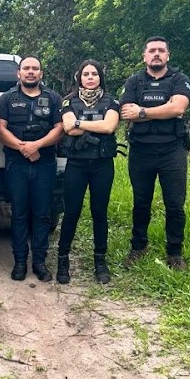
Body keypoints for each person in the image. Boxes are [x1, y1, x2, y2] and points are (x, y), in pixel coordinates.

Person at [120, 36, 190, 270]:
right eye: (152, 50)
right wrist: (163, 110)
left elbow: (179, 107)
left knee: (174, 204)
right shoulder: (134, 82)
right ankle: (138, 247)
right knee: (141, 202)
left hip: (173, 150)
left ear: (168, 55)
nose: (157, 54)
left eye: (161, 50)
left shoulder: (179, 79)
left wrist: (142, 111)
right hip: (141, 150)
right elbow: (125, 112)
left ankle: (175, 252)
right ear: (145, 56)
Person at [0, 56, 63, 282]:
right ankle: (19, 262)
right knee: (19, 214)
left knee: (42, 214)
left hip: (44, 162)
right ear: (19, 73)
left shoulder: (53, 98)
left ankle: (40, 262)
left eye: (35, 68)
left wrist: (37, 145)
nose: (31, 72)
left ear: (41, 73)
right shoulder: (7, 98)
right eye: (26, 68)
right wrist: (23, 147)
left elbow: (59, 128)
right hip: (17, 163)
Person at [57, 60, 120, 284]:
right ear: (80, 78)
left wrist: (79, 123)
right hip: (77, 164)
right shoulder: (68, 101)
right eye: (86, 74)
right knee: (71, 212)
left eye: (94, 74)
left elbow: (109, 127)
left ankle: (100, 261)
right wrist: (89, 124)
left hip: (102, 164)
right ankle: (62, 260)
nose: (90, 77)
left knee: (99, 213)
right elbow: (67, 127)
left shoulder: (112, 101)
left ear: (100, 77)